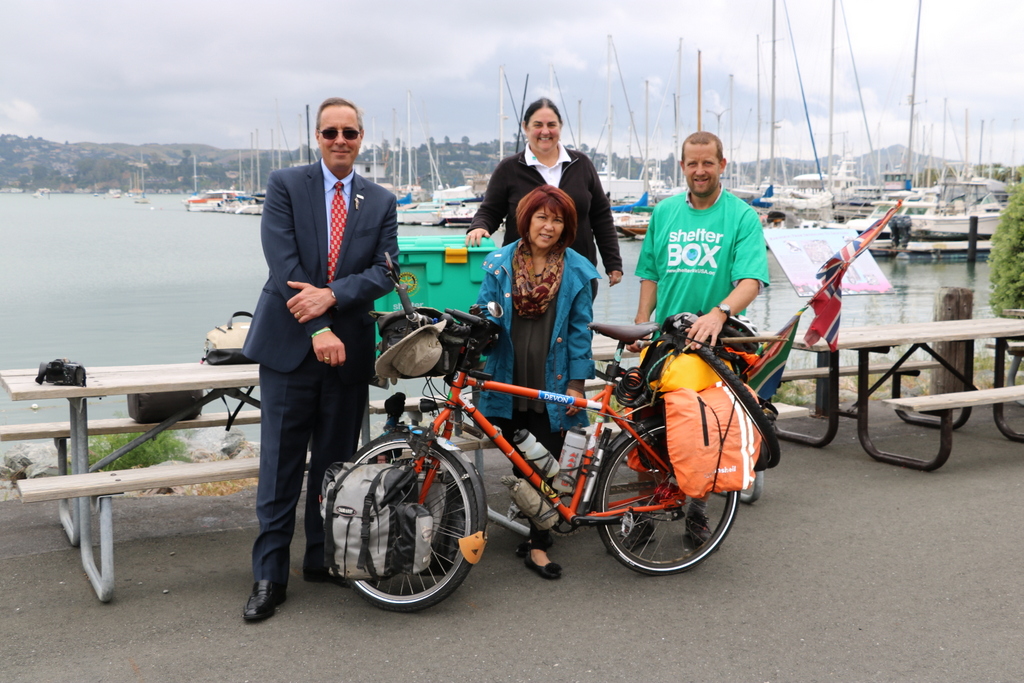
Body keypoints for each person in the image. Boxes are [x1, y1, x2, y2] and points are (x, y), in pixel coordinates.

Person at [240, 97, 399, 621]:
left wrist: (331, 297)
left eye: (349, 132)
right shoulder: (286, 185)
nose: (339, 140)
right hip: (290, 350)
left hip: (348, 354)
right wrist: (318, 326)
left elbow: (385, 272)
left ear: (361, 138)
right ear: (317, 135)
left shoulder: (380, 200)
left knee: (335, 467)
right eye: (330, 131)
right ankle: (269, 576)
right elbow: (283, 263)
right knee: (280, 469)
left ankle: (322, 559)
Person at [632, 130, 769, 544]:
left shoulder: (741, 216)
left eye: (708, 162)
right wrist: (641, 324)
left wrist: (718, 312)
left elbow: (751, 280)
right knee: (641, 422)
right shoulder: (665, 213)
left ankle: (696, 509)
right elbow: (651, 274)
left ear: (722, 165)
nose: (700, 170)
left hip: (715, 343)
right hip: (665, 339)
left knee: (700, 430)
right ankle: (643, 511)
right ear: (683, 167)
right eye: (692, 163)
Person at [475, 185, 599, 579]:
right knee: (516, 456)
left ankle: (539, 542)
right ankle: (531, 521)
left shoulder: (578, 269)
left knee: (545, 463)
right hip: (507, 376)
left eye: (558, 219)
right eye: (541, 217)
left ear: (567, 227)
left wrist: (577, 385)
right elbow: (485, 314)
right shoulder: (499, 263)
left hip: (553, 379)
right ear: (525, 219)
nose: (548, 226)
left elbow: (581, 331)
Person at [466, 98, 623, 292]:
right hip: (522, 275)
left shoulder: (581, 164)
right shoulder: (509, 168)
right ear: (525, 127)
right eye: (538, 125)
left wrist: (613, 262)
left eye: (551, 125)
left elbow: (601, 216)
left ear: (560, 126)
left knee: (577, 322)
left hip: (577, 273)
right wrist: (479, 227)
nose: (545, 131)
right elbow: (490, 211)